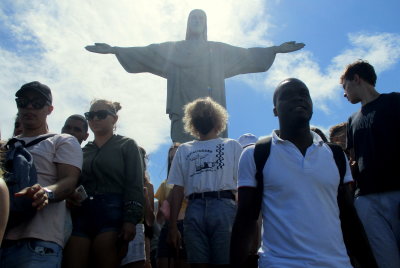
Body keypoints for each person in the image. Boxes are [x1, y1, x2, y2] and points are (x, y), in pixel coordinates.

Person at [85, 9, 305, 143]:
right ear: (188, 24)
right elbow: (147, 51)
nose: (197, 20)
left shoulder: (217, 51)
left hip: (213, 109)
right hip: (182, 108)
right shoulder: (173, 49)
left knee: (215, 149)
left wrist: (273, 49)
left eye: (201, 17)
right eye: (193, 17)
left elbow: (245, 55)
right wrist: (116, 49)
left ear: (206, 23)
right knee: (182, 151)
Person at [231, 78, 353, 267]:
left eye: (304, 95)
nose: (299, 99)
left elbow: (349, 217)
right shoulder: (256, 154)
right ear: (275, 110)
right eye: (288, 96)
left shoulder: (335, 155)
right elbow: (245, 219)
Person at [0, 81, 83, 267]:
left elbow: (69, 180)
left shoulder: (63, 141)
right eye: (23, 102)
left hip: (39, 242)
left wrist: (45, 192)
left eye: (37, 103)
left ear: (50, 109)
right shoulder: (4, 146)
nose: (29, 107)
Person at [63, 99, 144, 268]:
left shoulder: (127, 145)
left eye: (101, 115)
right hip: (82, 212)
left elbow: (134, 184)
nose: (95, 119)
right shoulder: (83, 151)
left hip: (113, 212)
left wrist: (130, 219)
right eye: (90, 115)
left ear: (114, 119)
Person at [167, 97, 242, 268]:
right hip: (194, 208)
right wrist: (172, 227)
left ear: (217, 118)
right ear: (192, 121)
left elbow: (243, 186)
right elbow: (177, 189)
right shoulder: (184, 149)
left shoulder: (232, 145)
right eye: (197, 115)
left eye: (206, 113)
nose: (202, 117)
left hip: (224, 207)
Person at [341, 60, 400, 268]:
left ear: (356, 78)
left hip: (397, 189)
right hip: (366, 198)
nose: (344, 94)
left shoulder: (395, 101)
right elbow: (354, 158)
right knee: (386, 261)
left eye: (344, 86)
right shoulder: (352, 120)